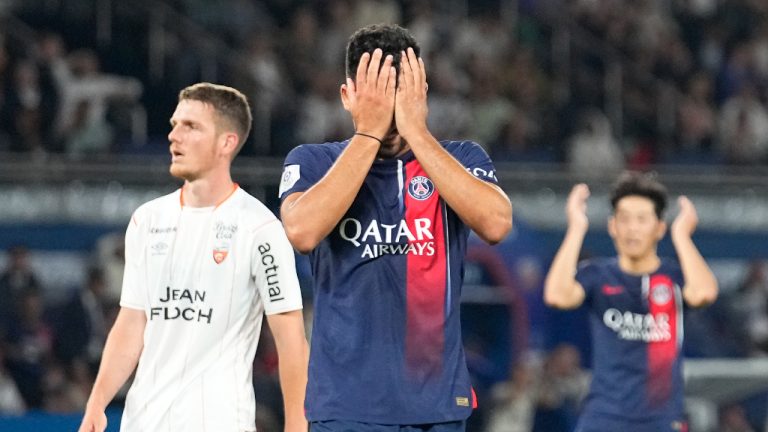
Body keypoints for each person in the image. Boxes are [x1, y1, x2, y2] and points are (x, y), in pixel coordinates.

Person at [279, 24, 512, 431]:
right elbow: (301, 231)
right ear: (348, 96)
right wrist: (368, 133)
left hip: (437, 405)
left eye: (398, 92)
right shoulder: (313, 161)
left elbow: (495, 223)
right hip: (346, 406)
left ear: (420, 93)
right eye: (375, 93)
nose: (388, 108)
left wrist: (417, 132)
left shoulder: (458, 157)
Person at [78, 83, 309, 432]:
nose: (174, 136)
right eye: (174, 124)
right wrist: (97, 403)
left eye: (191, 126)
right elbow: (132, 322)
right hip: (143, 422)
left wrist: (297, 425)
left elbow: (291, 338)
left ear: (226, 143)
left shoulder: (260, 228)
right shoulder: (147, 220)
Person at [543, 172, 719, 432]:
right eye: (624, 219)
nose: (632, 228)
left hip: (660, 420)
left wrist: (682, 236)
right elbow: (557, 296)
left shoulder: (673, 278)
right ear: (612, 226)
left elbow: (704, 293)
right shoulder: (597, 274)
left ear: (660, 228)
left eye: (641, 219)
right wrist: (576, 227)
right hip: (603, 417)